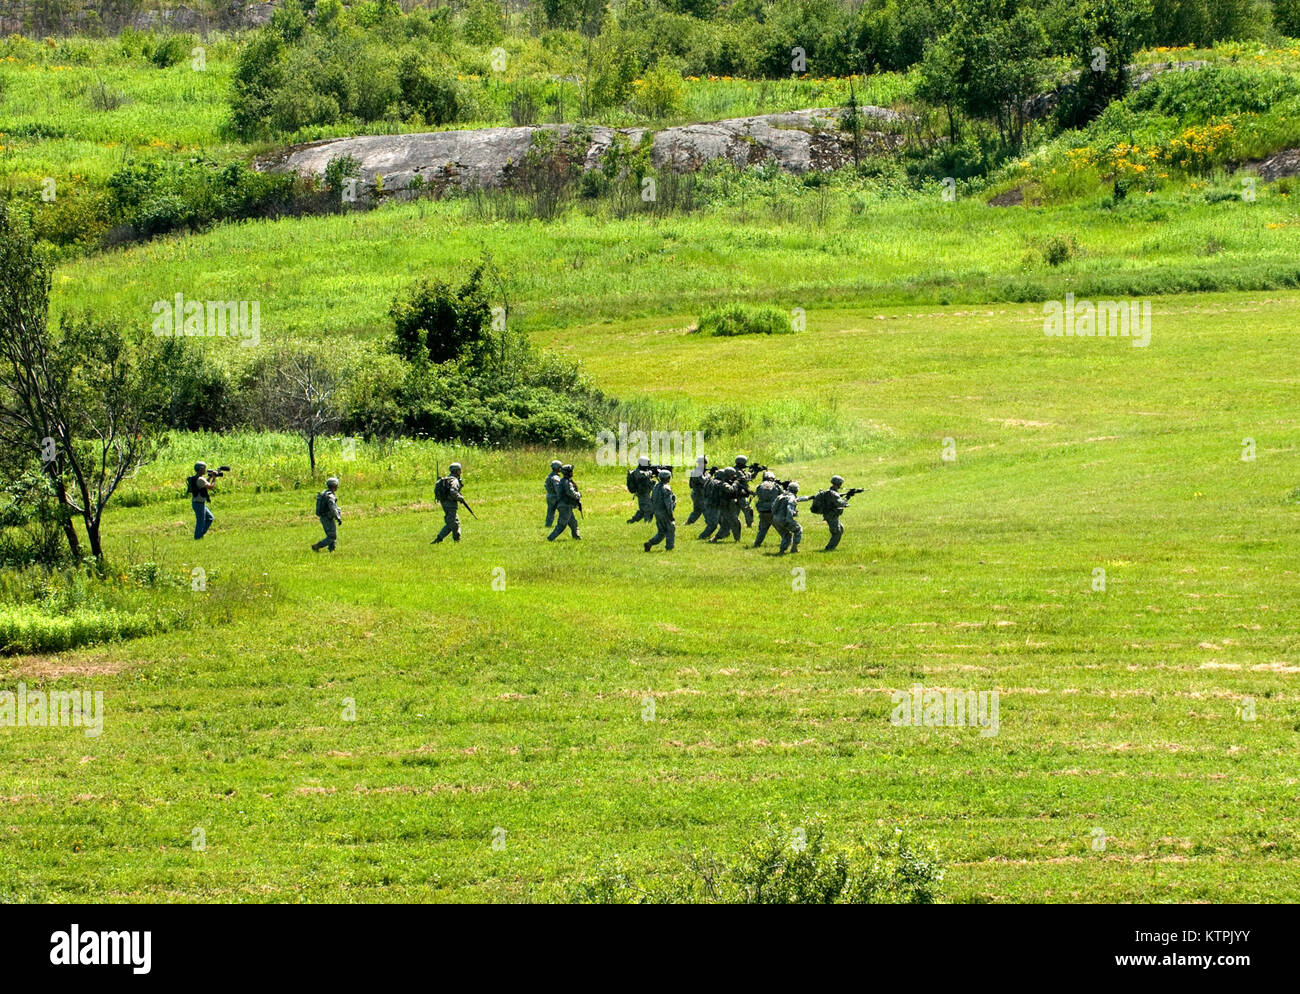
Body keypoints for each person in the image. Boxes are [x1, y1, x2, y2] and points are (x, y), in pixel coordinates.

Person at [772, 481, 812, 555]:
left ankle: (782, 551)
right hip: (785, 519)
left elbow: (773, 507)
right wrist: (790, 519)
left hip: (775, 519)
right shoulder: (791, 498)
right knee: (798, 529)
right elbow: (789, 509)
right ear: (796, 490)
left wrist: (809, 498)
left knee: (786, 535)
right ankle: (794, 548)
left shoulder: (782, 495)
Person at [813, 475, 850, 551]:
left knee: (840, 529)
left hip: (831, 514)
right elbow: (840, 503)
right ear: (839, 484)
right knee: (837, 533)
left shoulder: (830, 492)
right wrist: (848, 497)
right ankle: (829, 548)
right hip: (831, 515)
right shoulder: (833, 494)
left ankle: (830, 547)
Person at [645, 468, 676, 552]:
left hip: (657, 512)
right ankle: (669, 548)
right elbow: (668, 503)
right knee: (670, 529)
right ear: (667, 478)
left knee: (661, 532)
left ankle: (650, 543)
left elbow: (652, 500)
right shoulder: (666, 488)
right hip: (664, 512)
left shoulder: (655, 487)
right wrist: (671, 515)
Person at [432, 462, 464, 544]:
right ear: (456, 471)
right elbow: (453, 491)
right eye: (459, 470)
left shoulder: (447, 479)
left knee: (454, 522)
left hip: (445, 502)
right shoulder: (454, 480)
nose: (461, 471)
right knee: (453, 523)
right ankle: (440, 539)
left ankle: (455, 540)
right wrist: (460, 498)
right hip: (450, 504)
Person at [548, 464, 582, 541]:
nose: (572, 473)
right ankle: (550, 538)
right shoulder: (566, 482)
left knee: (573, 523)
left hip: (566, 506)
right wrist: (578, 495)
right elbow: (571, 492)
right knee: (561, 525)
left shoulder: (565, 481)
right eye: (571, 471)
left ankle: (576, 537)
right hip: (565, 506)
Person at [709, 467, 743, 543]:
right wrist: (736, 483)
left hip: (726, 506)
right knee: (736, 523)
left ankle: (715, 539)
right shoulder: (723, 483)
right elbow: (730, 489)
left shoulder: (724, 482)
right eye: (732, 475)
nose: (733, 477)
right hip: (726, 507)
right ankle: (737, 540)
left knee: (726, 525)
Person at [752, 471, 782, 547]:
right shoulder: (776, 485)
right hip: (772, 511)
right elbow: (782, 494)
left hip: (762, 511)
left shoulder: (759, 486)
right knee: (782, 529)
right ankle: (787, 542)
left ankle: (757, 544)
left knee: (762, 530)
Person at [187, 461, 215, 540]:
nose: (205, 470)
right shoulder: (200, 479)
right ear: (200, 469)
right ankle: (198, 537)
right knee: (200, 521)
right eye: (204, 469)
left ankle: (200, 534)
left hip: (199, 503)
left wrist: (209, 478)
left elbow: (204, 483)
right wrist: (214, 478)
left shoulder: (197, 478)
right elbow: (210, 487)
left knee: (210, 518)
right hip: (199, 504)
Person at [312, 477, 342, 552]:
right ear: (334, 486)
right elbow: (333, 508)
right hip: (327, 518)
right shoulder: (330, 496)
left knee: (332, 535)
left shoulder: (324, 493)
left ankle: (332, 550)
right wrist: (338, 517)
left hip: (324, 517)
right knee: (332, 536)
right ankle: (317, 546)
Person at [626, 456, 656, 524]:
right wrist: (651, 471)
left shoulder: (643, 471)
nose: (649, 464)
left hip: (645, 493)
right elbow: (644, 475)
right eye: (648, 463)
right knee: (649, 509)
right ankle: (647, 524)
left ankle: (632, 521)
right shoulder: (638, 472)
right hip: (642, 494)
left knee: (643, 510)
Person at [685, 454, 709, 525]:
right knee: (705, 509)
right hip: (698, 494)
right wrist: (710, 474)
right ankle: (711, 523)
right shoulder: (697, 471)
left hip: (700, 494)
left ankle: (688, 523)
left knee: (697, 511)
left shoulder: (702, 471)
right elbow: (703, 481)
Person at [733, 455, 755, 527]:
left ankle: (731, 525)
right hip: (740, 494)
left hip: (737, 494)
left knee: (735, 511)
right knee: (748, 510)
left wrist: (753, 472)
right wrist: (750, 472)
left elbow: (747, 478)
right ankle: (749, 524)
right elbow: (745, 480)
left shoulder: (737, 470)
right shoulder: (738, 472)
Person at [544, 459, 563, 527]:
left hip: (549, 496)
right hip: (555, 497)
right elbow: (558, 488)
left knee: (550, 513)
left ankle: (548, 525)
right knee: (563, 511)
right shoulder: (555, 477)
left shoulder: (549, 476)